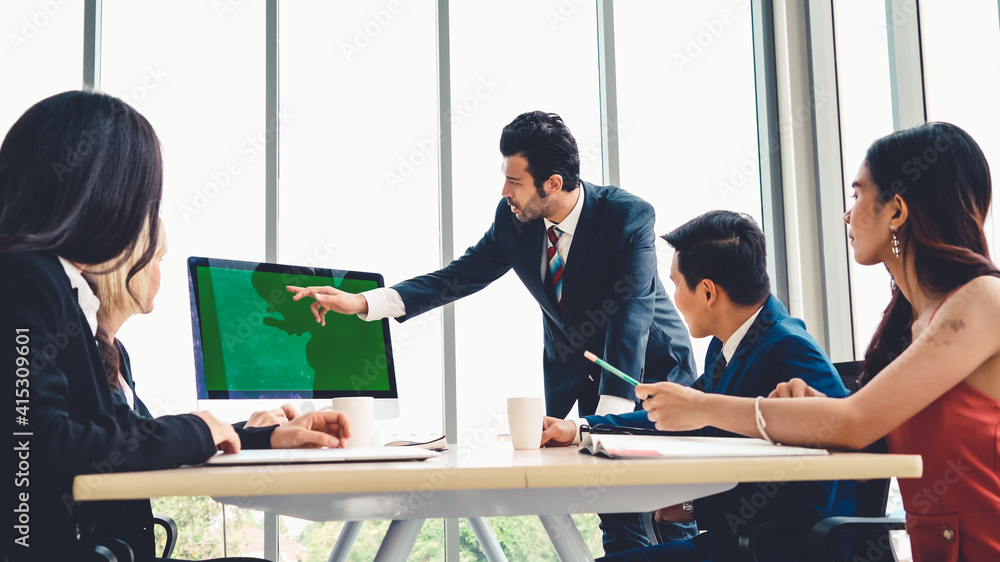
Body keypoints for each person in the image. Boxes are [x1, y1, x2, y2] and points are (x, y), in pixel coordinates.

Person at [287, 110, 699, 553]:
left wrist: (606, 423)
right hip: (578, 378)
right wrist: (366, 302)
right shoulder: (513, 221)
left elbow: (629, 316)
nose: (505, 192)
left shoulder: (626, 216)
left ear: (553, 184)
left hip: (650, 373)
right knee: (617, 517)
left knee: (666, 509)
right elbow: (457, 277)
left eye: (515, 181)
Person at [0, 91, 350, 562]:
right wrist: (196, 429)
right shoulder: (24, 277)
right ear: (99, 192)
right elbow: (40, 444)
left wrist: (256, 436)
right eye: (140, 196)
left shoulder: (59, 288)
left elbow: (123, 434)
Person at [631, 123, 1000, 562]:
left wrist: (700, 406)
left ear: (896, 210)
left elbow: (856, 422)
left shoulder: (982, 301)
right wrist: (810, 407)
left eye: (858, 194)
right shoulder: (910, 327)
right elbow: (863, 445)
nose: (848, 214)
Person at [542, 210, 860, 561]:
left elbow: (814, 491)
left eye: (676, 284)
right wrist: (579, 428)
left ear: (708, 292)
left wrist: (696, 506)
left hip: (768, 550)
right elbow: (676, 416)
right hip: (735, 542)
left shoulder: (787, 349)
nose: (673, 298)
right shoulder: (729, 343)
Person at [90, 221, 299, 436]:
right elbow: (141, 439)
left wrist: (250, 430)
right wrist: (248, 433)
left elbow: (149, 435)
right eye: (158, 259)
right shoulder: (89, 351)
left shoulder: (117, 351)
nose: (160, 273)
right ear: (129, 263)